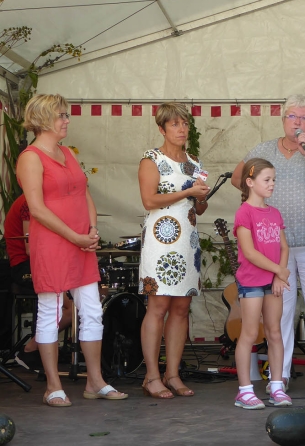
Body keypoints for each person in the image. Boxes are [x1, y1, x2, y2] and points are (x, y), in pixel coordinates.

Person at [231, 94, 305, 393]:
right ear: (283, 119)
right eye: (293, 116)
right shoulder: (263, 150)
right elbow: (237, 177)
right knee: (279, 312)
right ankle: (278, 376)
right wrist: (258, 204)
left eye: (304, 118)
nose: (298, 122)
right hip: (271, 249)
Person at [16, 93, 127, 406]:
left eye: (66, 115)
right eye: (61, 115)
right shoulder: (30, 157)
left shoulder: (67, 152)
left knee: (91, 310)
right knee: (50, 311)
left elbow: (84, 193)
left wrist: (91, 230)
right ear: (43, 119)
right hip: (53, 242)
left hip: (81, 242)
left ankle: (95, 381)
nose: (67, 120)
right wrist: (74, 237)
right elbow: (37, 209)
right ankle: (53, 386)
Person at [138, 102, 211, 399]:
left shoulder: (194, 162)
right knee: (158, 307)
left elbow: (199, 208)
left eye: (185, 124)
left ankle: (173, 374)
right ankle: (152, 376)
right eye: (174, 124)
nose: (182, 129)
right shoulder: (151, 160)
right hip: (160, 241)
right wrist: (188, 191)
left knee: (181, 308)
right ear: (162, 129)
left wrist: (201, 196)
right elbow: (149, 200)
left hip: (187, 242)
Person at [232, 158, 292, 409]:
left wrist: (279, 277)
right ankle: (245, 391)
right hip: (252, 282)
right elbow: (249, 252)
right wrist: (279, 270)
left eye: (273, 179)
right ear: (250, 182)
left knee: (274, 332)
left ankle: (276, 386)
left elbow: (284, 247)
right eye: (266, 179)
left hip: (272, 282)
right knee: (248, 334)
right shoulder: (244, 212)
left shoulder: (274, 213)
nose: (272, 184)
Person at [4, 194, 72, 371]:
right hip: (26, 266)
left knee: (84, 298)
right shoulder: (29, 203)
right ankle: (31, 349)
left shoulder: (35, 201)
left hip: (38, 264)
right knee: (72, 307)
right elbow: (30, 248)